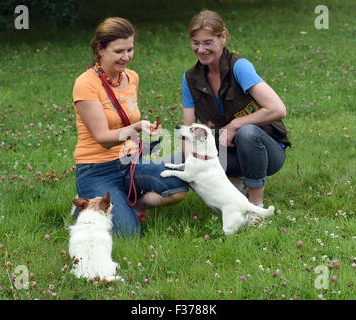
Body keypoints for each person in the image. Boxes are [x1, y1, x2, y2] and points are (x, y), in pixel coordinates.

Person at [72, 17, 188, 236]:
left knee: (178, 186)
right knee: (128, 235)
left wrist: (142, 131)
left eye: (130, 49)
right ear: (100, 48)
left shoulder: (132, 77)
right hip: (97, 169)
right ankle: (89, 205)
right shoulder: (86, 84)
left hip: (129, 161)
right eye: (118, 51)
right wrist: (136, 127)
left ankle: (133, 204)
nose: (126, 57)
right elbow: (103, 138)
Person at [182, 10, 291, 208]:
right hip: (226, 153)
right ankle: (234, 190)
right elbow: (188, 130)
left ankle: (255, 205)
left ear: (222, 37)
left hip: (266, 152)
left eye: (207, 42)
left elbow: (278, 109)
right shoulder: (190, 78)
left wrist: (235, 125)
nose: (200, 49)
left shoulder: (239, 67)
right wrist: (191, 163)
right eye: (195, 42)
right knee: (179, 156)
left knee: (247, 132)